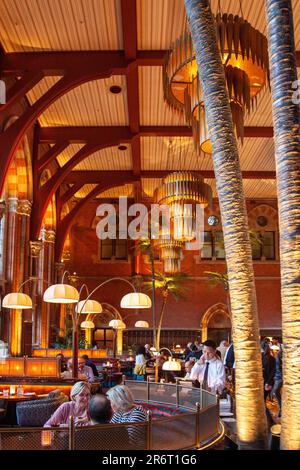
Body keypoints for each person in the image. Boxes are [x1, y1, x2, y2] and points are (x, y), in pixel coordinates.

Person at [271, 348, 282, 418]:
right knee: (274, 392)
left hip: (281, 376)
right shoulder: (279, 354)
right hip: (279, 376)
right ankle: (281, 408)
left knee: (275, 392)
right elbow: (277, 367)